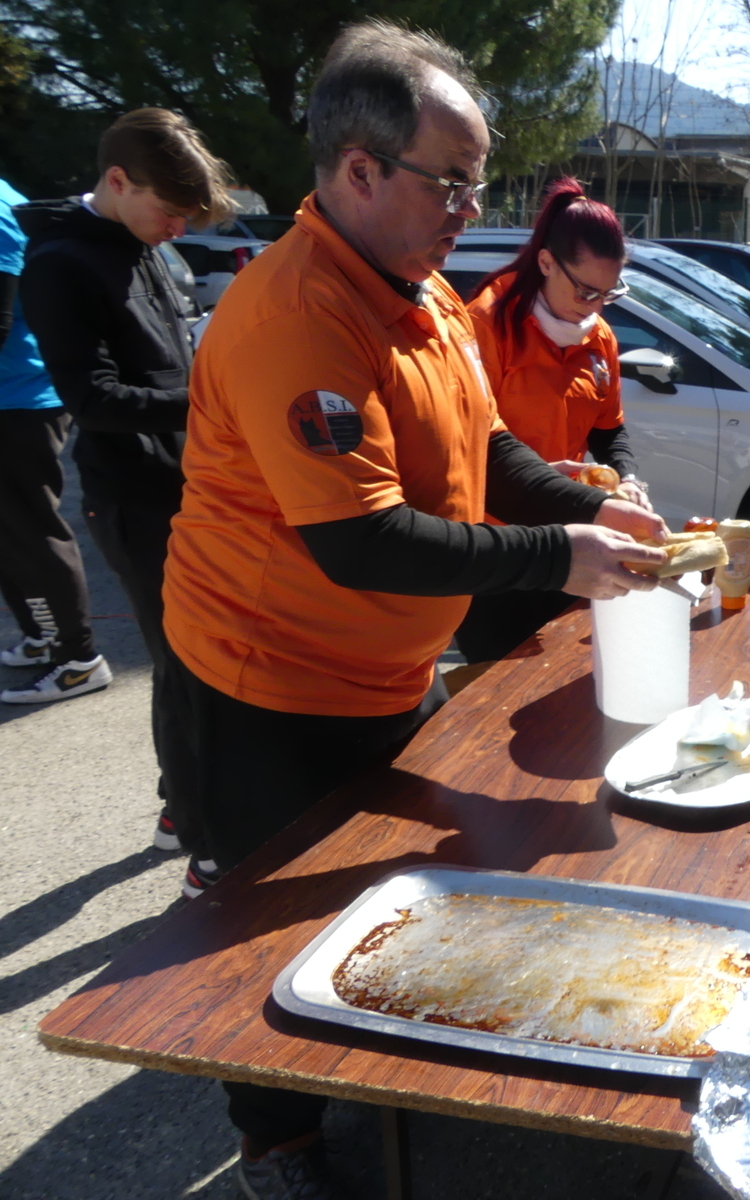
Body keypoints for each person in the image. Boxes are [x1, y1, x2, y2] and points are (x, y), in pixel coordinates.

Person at [155, 21, 666, 1198]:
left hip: (382, 677)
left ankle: (376, 1084)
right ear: (359, 168)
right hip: (261, 687)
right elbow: (360, 541)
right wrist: (561, 556)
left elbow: (486, 451)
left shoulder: (424, 292)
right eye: (452, 183)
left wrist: (591, 501)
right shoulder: (297, 313)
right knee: (268, 928)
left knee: (380, 903)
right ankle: (274, 1142)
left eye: (478, 183)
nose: (470, 209)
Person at [15, 109, 233, 873]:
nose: (178, 229)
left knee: (206, 658)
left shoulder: (144, 245)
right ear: (117, 181)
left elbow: (174, 356)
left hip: (190, 482)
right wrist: (211, 403)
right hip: (134, 498)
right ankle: (200, 836)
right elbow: (95, 397)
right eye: (169, 212)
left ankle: (184, 799)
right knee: (182, 664)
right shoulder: (60, 265)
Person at [458, 178, 649, 663]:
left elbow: (609, 428)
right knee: (495, 688)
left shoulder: (599, 337)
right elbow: (475, 449)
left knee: (560, 677)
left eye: (609, 293)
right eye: (585, 291)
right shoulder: (486, 325)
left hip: (570, 541)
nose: (596, 307)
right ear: (545, 263)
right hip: (497, 548)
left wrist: (626, 477)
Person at [0, 176, 99, 690]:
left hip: (20, 400)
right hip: (13, 396)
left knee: (32, 529)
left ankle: (78, 659)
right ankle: (43, 634)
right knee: (8, 533)